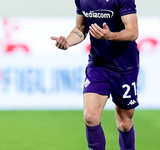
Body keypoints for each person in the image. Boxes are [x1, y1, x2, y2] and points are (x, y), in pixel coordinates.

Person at [51, 0, 139, 149]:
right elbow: (80, 28)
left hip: (125, 66)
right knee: (90, 116)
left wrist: (110, 35)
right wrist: (67, 42)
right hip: (98, 65)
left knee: (125, 123)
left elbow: (133, 31)